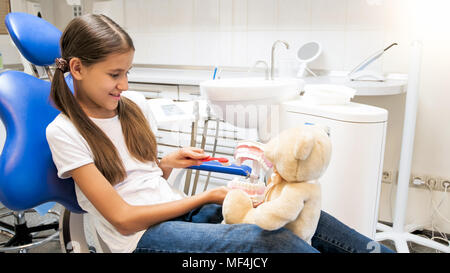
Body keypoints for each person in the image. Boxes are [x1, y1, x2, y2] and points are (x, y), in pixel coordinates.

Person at [46, 14, 394, 253]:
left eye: (128, 72)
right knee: (271, 243)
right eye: (114, 74)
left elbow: (140, 178)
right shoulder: (64, 132)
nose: (124, 84)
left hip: (173, 212)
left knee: (295, 211)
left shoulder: (132, 105)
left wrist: (167, 163)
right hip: (141, 239)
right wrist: (205, 197)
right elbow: (122, 219)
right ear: (77, 68)